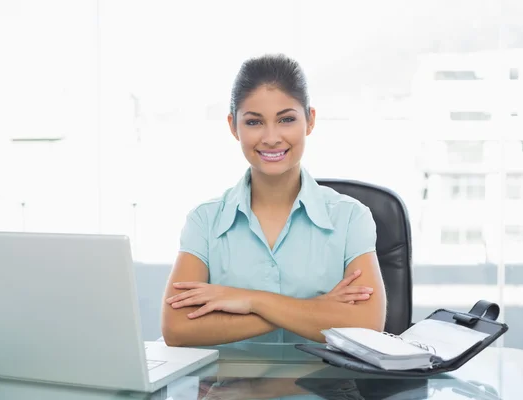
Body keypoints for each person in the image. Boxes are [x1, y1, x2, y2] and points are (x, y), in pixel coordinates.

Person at [161, 54, 387, 346]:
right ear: (233, 126)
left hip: (326, 389)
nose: (271, 137)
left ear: (310, 120)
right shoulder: (204, 221)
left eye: (286, 119)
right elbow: (177, 329)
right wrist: (317, 309)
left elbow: (367, 325)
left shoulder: (351, 217)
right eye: (254, 122)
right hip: (231, 390)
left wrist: (249, 300)